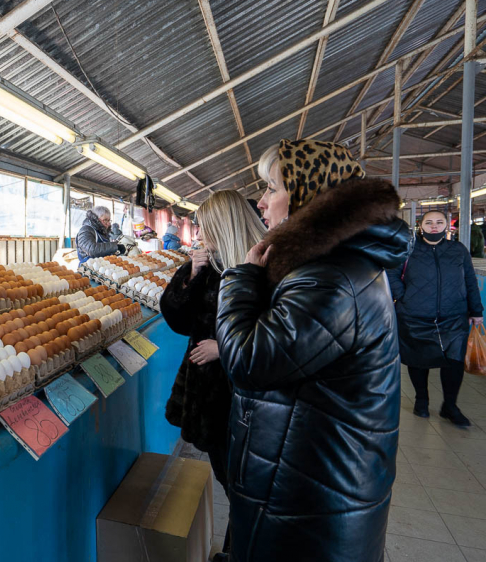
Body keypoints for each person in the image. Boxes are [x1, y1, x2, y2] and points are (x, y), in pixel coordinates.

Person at [216, 139, 411, 562]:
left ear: (309, 194)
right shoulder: (335, 265)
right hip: (311, 488)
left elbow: (248, 361)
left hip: (310, 507)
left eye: (272, 188)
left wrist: (240, 279)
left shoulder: (330, 280)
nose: (262, 202)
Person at [160, 190, 266, 562]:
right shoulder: (209, 266)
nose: (200, 233)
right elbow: (175, 317)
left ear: (224, 224)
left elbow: (276, 333)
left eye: (205, 225)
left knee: (245, 487)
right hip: (209, 395)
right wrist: (190, 273)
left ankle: (240, 550)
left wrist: (224, 348)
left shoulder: (262, 264)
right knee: (230, 479)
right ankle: (236, 549)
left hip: (243, 396)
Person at [388, 211, 483, 426]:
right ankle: (421, 400)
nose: (434, 226)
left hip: (454, 316)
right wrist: (404, 297)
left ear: (446, 226)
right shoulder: (408, 248)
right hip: (415, 315)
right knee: (418, 360)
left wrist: (476, 311)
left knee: (454, 362)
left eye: (439, 222)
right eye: (429, 222)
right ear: (421, 226)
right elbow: (391, 274)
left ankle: (450, 406)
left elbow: (469, 280)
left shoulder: (458, 250)